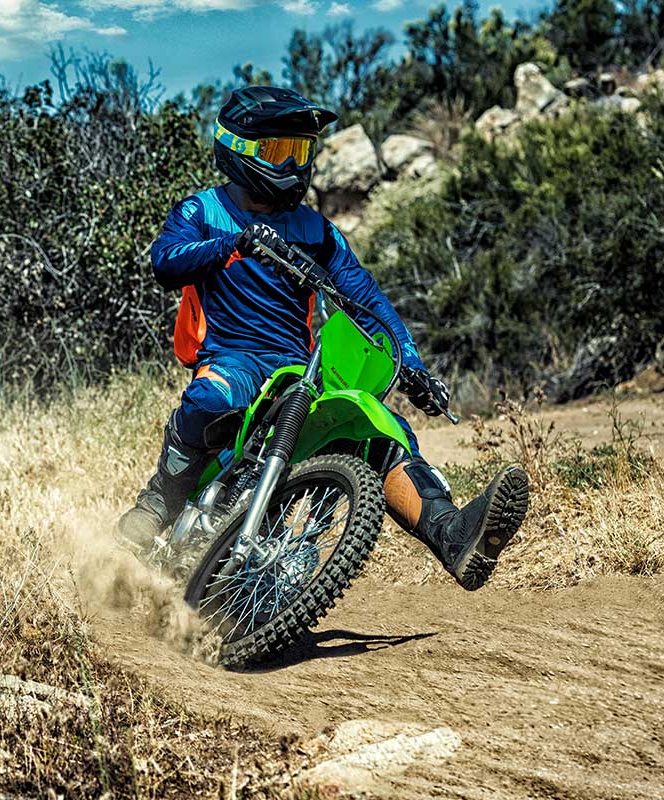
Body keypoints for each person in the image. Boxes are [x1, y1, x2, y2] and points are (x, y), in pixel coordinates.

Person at [117, 86, 529, 591]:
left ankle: (454, 535)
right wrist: (235, 243)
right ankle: (161, 498)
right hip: (235, 358)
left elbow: (368, 302)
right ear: (238, 149)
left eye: (301, 151)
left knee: (383, 432)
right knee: (213, 394)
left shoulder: (317, 230)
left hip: (299, 371)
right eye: (278, 152)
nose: (293, 164)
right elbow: (165, 260)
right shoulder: (201, 211)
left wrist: (414, 367)